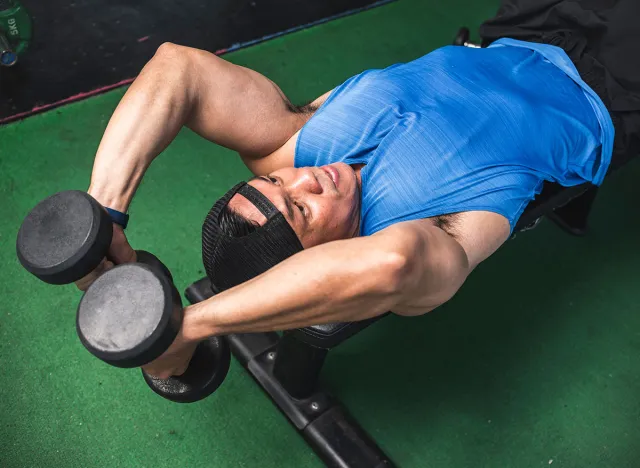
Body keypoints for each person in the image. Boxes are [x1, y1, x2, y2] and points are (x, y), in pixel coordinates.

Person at [79, 0, 640, 378]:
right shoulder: (427, 236)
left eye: (274, 182)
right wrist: (187, 327)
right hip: (611, 83)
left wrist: (102, 220)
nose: (305, 178)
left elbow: (179, 70)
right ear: (320, 257)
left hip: (526, 28)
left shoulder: (297, 146)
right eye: (300, 209)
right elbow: (390, 265)